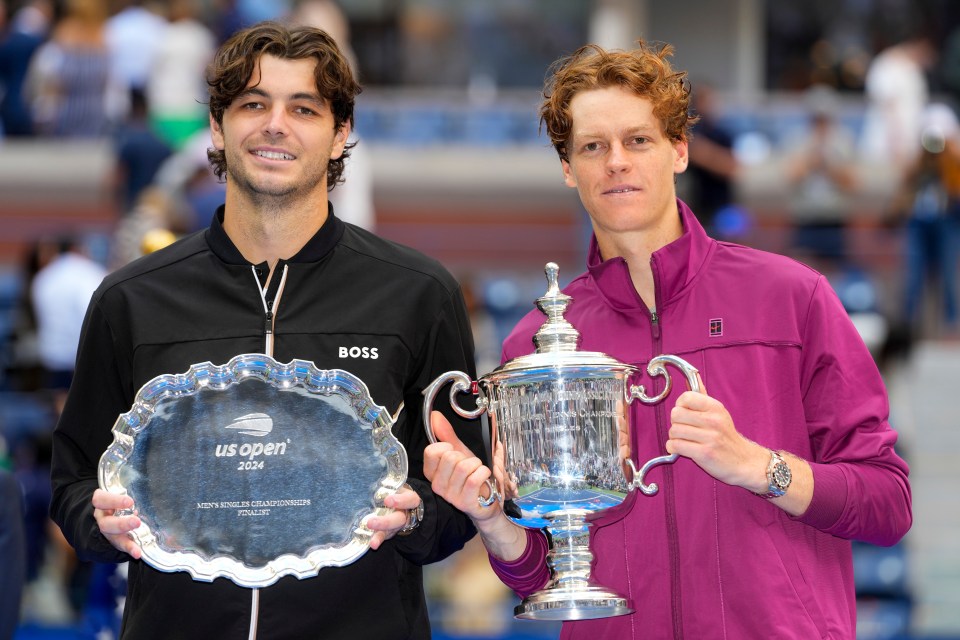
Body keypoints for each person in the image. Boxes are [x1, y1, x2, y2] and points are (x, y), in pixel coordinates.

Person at [424, 40, 912, 639]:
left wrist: (760, 466)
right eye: (592, 147)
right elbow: (540, 574)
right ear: (567, 167)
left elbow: (888, 503)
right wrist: (492, 518)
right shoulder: (539, 345)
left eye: (638, 140)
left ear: (679, 150)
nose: (616, 163)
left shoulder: (791, 296)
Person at [49, 21, 483, 640]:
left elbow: (464, 488)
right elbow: (73, 480)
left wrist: (416, 518)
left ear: (340, 136)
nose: (275, 124)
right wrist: (102, 525)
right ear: (218, 126)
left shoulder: (418, 294)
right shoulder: (132, 299)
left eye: (303, 108)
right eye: (253, 103)